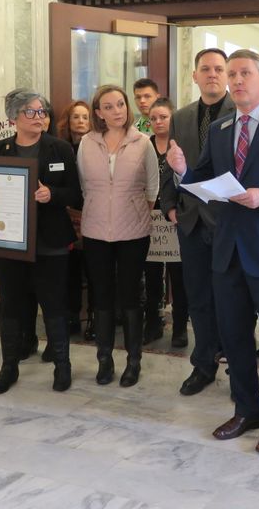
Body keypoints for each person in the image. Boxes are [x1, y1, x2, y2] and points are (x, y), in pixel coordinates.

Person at [166, 49, 259, 454]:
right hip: (227, 249)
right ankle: (247, 408)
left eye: (244, 73)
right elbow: (203, 175)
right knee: (233, 337)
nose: (236, 81)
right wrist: (182, 170)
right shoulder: (219, 128)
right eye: (231, 74)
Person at [0, 89, 81, 395]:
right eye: (31, 112)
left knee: (54, 307)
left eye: (43, 112)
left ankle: (62, 366)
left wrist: (53, 195)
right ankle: (8, 368)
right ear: (13, 118)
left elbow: (75, 194)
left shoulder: (59, 148)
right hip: (9, 245)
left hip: (51, 244)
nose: (40, 118)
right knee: (11, 308)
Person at [159, 48, 235, 396]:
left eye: (219, 69)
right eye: (205, 69)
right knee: (199, 299)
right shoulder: (182, 116)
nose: (212, 75)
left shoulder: (243, 112)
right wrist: (169, 205)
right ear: (194, 75)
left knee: (235, 297)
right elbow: (170, 163)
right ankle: (203, 365)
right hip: (191, 221)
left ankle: (238, 362)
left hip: (231, 222)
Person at [78, 84, 159, 387]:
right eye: (109, 106)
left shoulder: (143, 142)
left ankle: (133, 361)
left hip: (133, 231)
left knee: (130, 296)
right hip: (96, 230)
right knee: (101, 296)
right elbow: (85, 187)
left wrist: (130, 209)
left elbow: (152, 188)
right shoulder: (87, 143)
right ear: (98, 112)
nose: (117, 111)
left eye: (121, 105)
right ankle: (104, 360)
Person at [144, 97, 189, 348]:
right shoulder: (144, 146)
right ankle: (152, 323)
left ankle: (180, 327)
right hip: (149, 221)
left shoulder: (181, 147)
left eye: (163, 117)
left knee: (179, 278)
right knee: (151, 277)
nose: (158, 122)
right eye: (154, 118)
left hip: (175, 219)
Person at [56, 100, 93, 337]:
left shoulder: (97, 146)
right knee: (69, 270)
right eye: (76, 117)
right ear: (68, 121)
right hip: (66, 215)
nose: (80, 121)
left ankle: (92, 318)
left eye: (85, 117)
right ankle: (71, 315)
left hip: (94, 214)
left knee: (93, 269)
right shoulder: (59, 147)